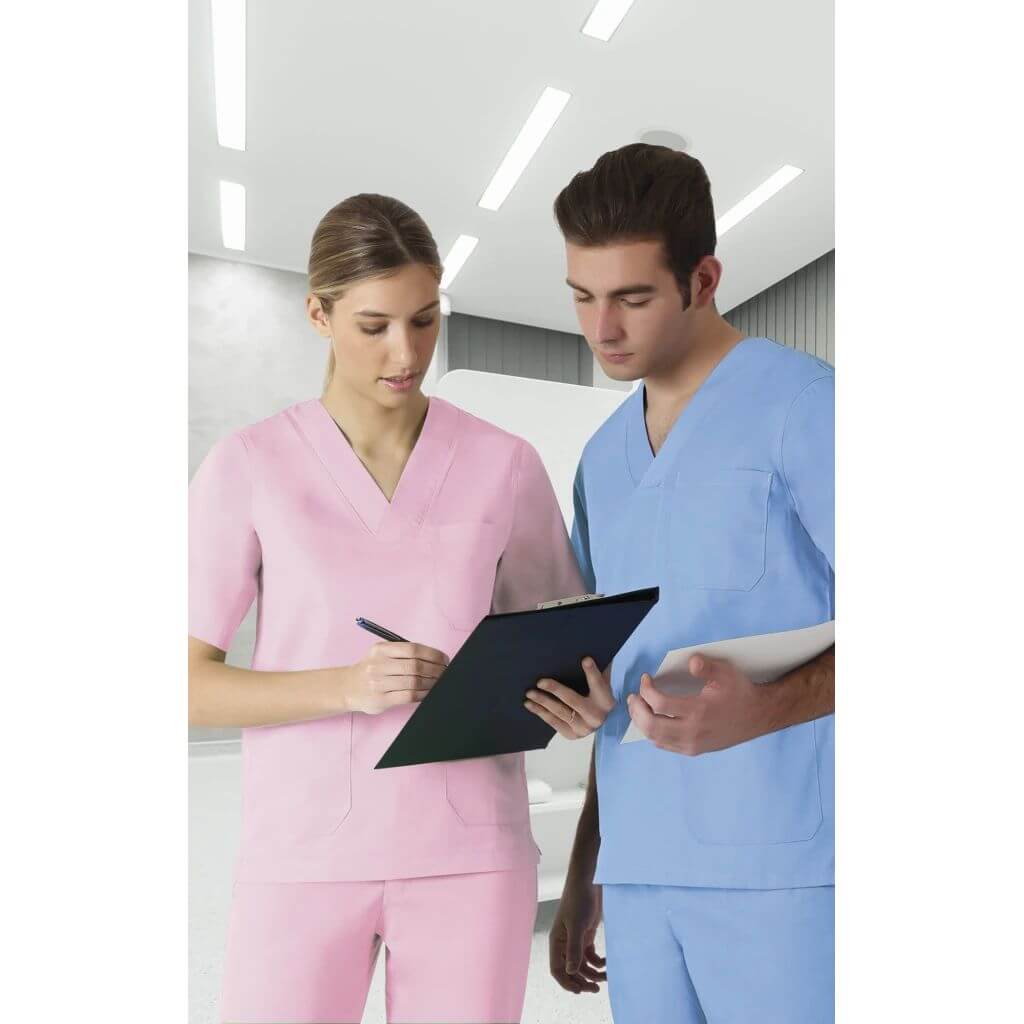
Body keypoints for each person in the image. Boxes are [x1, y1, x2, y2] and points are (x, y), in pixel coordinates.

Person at [188, 193, 615, 1024]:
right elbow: (187, 682)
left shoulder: (504, 465)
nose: (406, 351)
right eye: (374, 325)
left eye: (425, 320)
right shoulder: (249, 466)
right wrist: (346, 686)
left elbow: (562, 645)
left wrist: (581, 702)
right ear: (319, 314)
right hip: (302, 855)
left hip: (471, 852)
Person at [544, 144, 836, 1023]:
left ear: (703, 279)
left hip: (783, 872)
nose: (602, 329)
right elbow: (611, 664)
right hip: (639, 872)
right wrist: (588, 869)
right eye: (583, 297)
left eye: (632, 299)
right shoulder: (602, 459)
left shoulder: (807, 408)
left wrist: (769, 707)